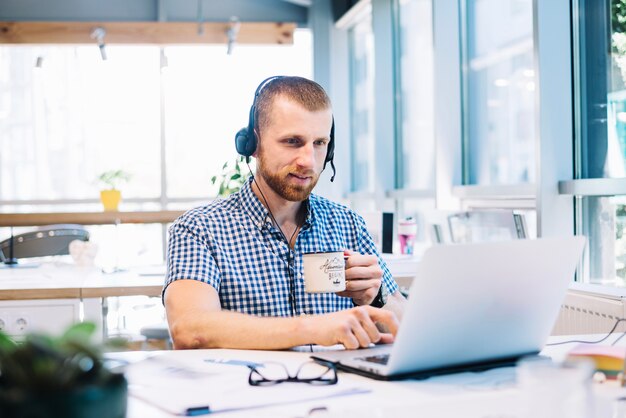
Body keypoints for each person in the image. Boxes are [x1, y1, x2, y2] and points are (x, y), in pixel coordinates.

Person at [164, 76, 406, 350]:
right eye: (292, 141)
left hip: (342, 388)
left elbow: (405, 324)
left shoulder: (347, 223)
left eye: (319, 143)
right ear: (253, 144)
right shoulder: (199, 229)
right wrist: (312, 328)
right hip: (250, 390)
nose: (308, 161)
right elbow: (189, 329)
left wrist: (376, 297)